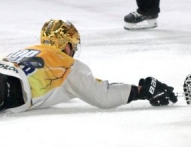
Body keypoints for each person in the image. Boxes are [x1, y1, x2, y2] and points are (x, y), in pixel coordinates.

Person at [0, 20, 177, 113]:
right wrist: (141, 91)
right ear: (65, 45)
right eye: (72, 46)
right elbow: (102, 96)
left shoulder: (29, 50)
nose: (73, 51)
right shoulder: (67, 65)